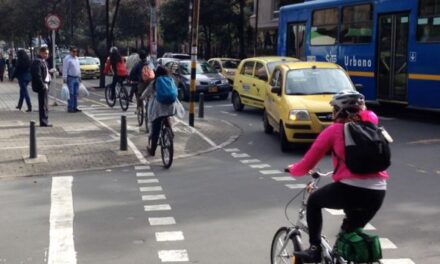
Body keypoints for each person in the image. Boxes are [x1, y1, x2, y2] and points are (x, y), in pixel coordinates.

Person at [288, 90, 387, 263]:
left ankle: (314, 249)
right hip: (378, 192)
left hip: (350, 190)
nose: (332, 113)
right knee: (349, 234)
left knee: (314, 201)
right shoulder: (374, 127)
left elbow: (307, 163)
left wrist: (293, 170)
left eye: (334, 109)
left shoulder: (334, 131)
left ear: (341, 111)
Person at [142, 66, 177, 156]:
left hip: (159, 108)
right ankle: (170, 132)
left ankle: (152, 151)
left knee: (156, 128)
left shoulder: (155, 82)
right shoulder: (170, 80)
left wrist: (141, 98)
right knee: (166, 117)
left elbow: (146, 92)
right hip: (171, 106)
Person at [31, 47, 52, 127]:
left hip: (45, 84)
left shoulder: (43, 61)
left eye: (47, 53)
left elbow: (44, 72)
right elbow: (37, 75)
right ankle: (43, 122)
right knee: (43, 104)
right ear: (41, 53)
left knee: (45, 104)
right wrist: (43, 85)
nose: (47, 55)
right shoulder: (37, 61)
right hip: (42, 86)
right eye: (45, 53)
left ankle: (45, 120)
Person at [62, 47, 82, 113]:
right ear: (70, 51)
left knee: (76, 93)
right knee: (71, 93)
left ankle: (75, 107)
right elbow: (65, 69)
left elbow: (78, 68)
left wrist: (80, 76)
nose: (75, 53)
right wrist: (64, 78)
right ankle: (70, 107)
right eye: (73, 51)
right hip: (70, 78)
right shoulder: (67, 59)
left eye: (76, 51)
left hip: (76, 78)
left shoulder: (77, 58)